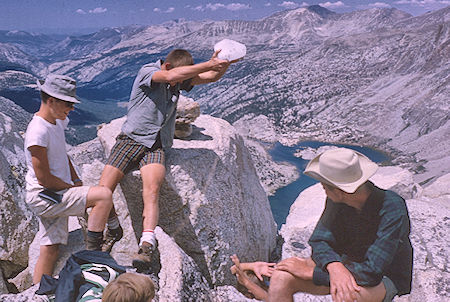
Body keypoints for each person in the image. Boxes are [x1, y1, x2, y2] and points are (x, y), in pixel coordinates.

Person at [98, 48, 237, 270]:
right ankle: (113, 228)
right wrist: (209, 63)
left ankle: (146, 245)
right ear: (168, 66)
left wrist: (226, 62)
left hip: (155, 144)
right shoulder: (149, 72)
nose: (178, 84)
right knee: (102, 191)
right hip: (129, 140)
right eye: (179, 76)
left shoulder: (176, 79)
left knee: (152, 192)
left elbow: (210, 77)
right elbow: (172, 77)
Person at [267, 148, 413, 302]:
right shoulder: (338, 200)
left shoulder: (393, 209)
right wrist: (334, 265)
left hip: (385, 277)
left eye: (325, 187)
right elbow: (319, 240)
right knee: (281, 277)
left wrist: (312, 274)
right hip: (346, 264)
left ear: (340, 191)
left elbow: (372, 272)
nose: (324, 191)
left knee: (346, 296)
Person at [24, 74, 113, 284]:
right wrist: (72, 189)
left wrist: (76, 180)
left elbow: (62, 154)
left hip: (53, 194)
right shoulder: (37, 132)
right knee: (103, 196)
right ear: (51, 100)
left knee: (51, 248)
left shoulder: (56, 122)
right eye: (68, 103)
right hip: (46, 196)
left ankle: (38, 292)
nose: (71, 109)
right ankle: (94, 254)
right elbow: (44, 179)